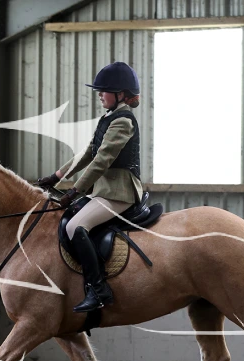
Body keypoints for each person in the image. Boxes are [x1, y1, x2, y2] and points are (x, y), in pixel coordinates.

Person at [37, 61, 144, 314]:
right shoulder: (108, 118)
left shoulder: (123, 121)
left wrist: (75, 190)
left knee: (75, 227)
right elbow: (88, 153)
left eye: (104, 90)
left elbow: (102, 160)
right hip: (103, 191)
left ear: (120, 94)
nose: (99, 94)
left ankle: (98, 290)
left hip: (120, 192)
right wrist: (57, 176)